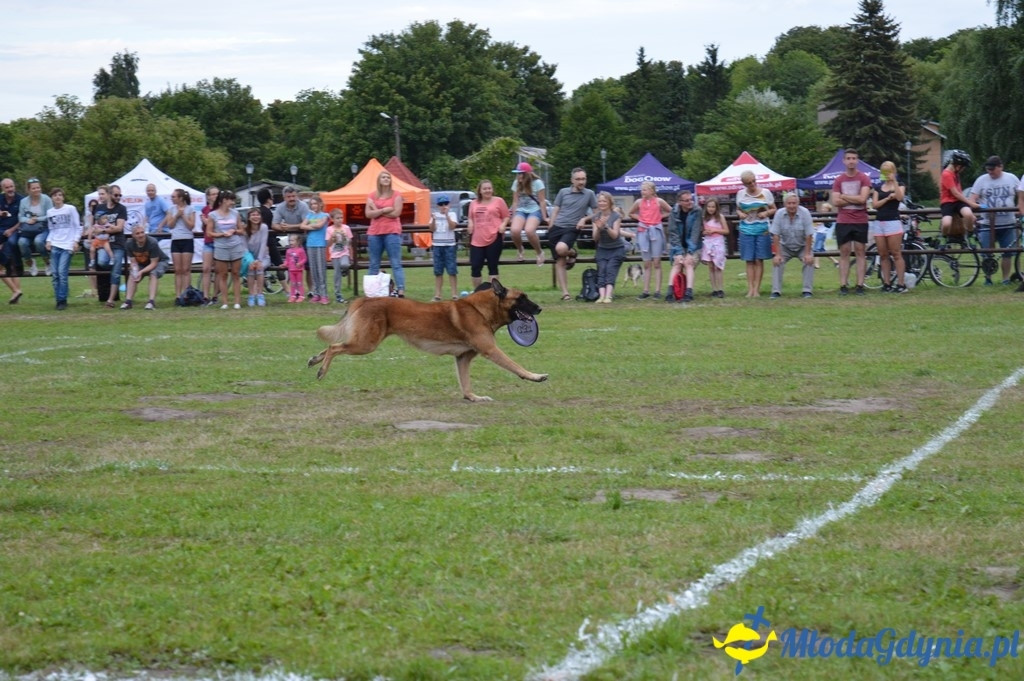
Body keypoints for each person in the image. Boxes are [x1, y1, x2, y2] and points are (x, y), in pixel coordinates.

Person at [548, 167, 597, 301]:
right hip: (557, 227)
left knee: (561, 249)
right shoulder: (563, 192)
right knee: (560, 261)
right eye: (578, 179)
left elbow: (597, 212)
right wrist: (551, 226)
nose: (581, 182)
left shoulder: (589, 194)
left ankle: (572, 252)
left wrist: (585, 219)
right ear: (572, 180)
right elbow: (556, 209)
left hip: (572, 227)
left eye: (583, 179)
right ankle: (565, 293)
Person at [970, 155, 1020, 285]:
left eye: (993, 169)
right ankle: (988, 278)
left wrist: (1019, 209)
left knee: (1007, 253)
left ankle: (1005, 279)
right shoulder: (981, 180)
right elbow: (972, 199)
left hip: (1008, 222)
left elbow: (1021, 195)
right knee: (987, 253)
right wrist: (976, 208)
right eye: (988, 169)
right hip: (987, 223)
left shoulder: (1011, 178)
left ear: (1000, 167)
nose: (990, 172)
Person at [830, 148, 872, 295]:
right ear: (844, 161)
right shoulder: (839, 180)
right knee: (844, 253)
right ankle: (843, 286)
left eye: (854, 158)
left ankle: (860, 285)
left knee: (861, 252)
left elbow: (863, 199)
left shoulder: (864, 178)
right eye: (848, 158)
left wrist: (844, 196)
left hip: (860, 220)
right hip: (843, 220)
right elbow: (835, 201)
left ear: (857, 160)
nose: (851, 161)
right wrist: (853, 198)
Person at [365, 171, 406, 297]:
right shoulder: (372, 195)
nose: (386, 179)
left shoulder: (397, 195)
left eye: (388, 177)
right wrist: (384, 210)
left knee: (396, 263)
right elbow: (368, 214)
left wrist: (376, 210)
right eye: (383, 177)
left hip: (392, 232)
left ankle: (400, 290)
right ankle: (371, 291)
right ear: (379, 180)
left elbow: (396, 213)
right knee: (373, 263)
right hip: (375, 233)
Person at [628, 181, 671, 299]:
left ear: (652, 191)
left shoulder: (659, 201)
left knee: (657, 262)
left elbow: (670, 210)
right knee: (647, 263)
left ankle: (657, 290)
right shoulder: (639, 202)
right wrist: (641, 219)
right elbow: (631, 213)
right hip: (643, 231)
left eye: (645, 190)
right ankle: (645, 290)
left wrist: (660, 217)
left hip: (655, 231)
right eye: (642, 190)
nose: (643, 192)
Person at [736, 170, 776, 297]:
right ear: (744, 184)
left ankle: (757, 289)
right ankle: (750, 289)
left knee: (759, 260)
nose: (752, 184)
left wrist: (766, 213)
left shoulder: (766, 193)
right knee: (749, 260)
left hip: (762, 230)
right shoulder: (740, 194)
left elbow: (774, 208)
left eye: (753, 181)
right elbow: (738, 209)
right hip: (746, 230)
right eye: (749, 183)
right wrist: (740, 214)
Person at [769, 192, 816, 299]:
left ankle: (807, 290)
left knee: (809, 261)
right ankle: (776, 291)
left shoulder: (805, 213)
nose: (792, 206)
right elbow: (775, 235)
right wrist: (777, 254)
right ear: (785, 204)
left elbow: (809, 234)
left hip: (802, 245)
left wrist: (808, 254)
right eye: (789, 203)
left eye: (794, 203)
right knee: (777, 262)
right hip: (785, 246)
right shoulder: (779, 214)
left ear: (798, 204)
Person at [583, 191, 627, 303]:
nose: (602, 203)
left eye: (604, 201)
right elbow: (595, 238)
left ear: (609, 202)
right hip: (602, 249)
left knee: (610, 270)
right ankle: (601, 296)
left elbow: (615, 235)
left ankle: (609, 295)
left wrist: (606, 226)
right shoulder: (596, 217)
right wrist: (598, 228)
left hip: (616, 248)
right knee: (601, 270)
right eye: (600, 201)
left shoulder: (615, 216)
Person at [205, 189, 245, 310]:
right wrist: (221, 235)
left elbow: (242, 230)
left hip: (235, 246)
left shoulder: (235, 213)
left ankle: (237, 302)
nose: (232, 202)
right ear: (223, 200)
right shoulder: (213, 215)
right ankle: (225, 302)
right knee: (222, 275)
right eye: (230, 200)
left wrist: (234, 231)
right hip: (220, 247)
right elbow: (209, 232)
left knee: (236, 274)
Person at [871, 161, 908, 292]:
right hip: (879, 222)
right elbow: (874, 205)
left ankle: (901, 283)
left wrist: (895, 183)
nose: (886, 174)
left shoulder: (900, 185)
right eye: (884, 172)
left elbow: (899, 197)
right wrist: (887, 198)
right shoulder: (878, 187)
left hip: (893, 221)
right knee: (883, 254)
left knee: (896, 253)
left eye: (889, 171)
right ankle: (886, 283)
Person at [466, 179, 509, 289]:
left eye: (489, 188)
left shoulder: (499, 201)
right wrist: (470, 224)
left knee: (492, 266)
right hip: (477, 239)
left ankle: (493, 293)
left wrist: (503, 225)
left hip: (494, 236)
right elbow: (470, 217)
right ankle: (477, 293)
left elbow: (506, 216)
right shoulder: (473, 203)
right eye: (485, 189)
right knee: (475, 266)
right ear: (480, 191)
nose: (487, 191)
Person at [44, 187, 80, 310]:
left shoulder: (70, 209)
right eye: (55, 195)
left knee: (62, 273)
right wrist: (49, 240)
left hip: (67, 245)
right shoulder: (50, 212)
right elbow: (52, 229)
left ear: (63, 197)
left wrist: (76, 241)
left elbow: (77, 227)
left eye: (59, 195)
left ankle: (62, 299)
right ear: (52, 198)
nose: (57, 197)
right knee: (55, 275)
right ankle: (58, 298)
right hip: (55, 244)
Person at [94, 184, 129, 308]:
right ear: (109, 195)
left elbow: (119, 228)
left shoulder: (121, 209)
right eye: (116, 195)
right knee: (102, 262)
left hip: (118, 244)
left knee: (116, 272)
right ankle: (113, 278)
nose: (118, 197)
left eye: (120, 195)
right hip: (103, 244)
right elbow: (96, 226)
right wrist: (109, 228)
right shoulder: (100, 208)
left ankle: (110, 300)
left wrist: (104, 230)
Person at [121, 224, 170, 310]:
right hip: (142, 263)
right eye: (137, 233)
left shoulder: (152, 242)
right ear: (133, 235)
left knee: (153, 273)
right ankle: (128, 301)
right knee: (133, 274)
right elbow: (133, 262)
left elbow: (154, 263)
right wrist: (135, 271)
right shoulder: (129, 244)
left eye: (142, 232)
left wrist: (141, 272)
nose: (141, 235)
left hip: (160, 261)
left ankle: (151, 302)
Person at [508, 161, 548, 265]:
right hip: (521, 210)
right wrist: (513, 215)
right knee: (514, 230)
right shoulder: (516, 183)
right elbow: (515, 201)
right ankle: (520, 249)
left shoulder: (538, 183)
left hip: (534, 210)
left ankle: (539, 252)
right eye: (517, 173)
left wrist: (544, 217)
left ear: (527, 174)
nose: (518, 176)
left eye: (521, 173)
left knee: (529, 230)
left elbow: (542, 201)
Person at [163, 188, 197, 305]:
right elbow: (170, 225)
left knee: (186, 269)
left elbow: (191, 226)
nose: (172, 199)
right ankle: (178, 296)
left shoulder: (190, 209)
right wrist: (177, 215)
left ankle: (186, 294)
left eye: (174, 197)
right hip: (176, 240)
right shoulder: (171, 209)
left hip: (187, 239)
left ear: (180, 198)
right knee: (177, 270)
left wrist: (183, 216)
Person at [665, 190, 700, 302]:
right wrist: (679, 252)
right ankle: (669, 291)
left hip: (693, 245)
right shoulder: (674, 212)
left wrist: (689, 252)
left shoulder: (697, 211)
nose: (690, 202)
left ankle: (689, 292)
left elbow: (695, 232)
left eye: (691, 199)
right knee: (677, 263)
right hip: (678, 245)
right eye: (686, 200)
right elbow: (673, 232)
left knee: (688, 262)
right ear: (680, 202)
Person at [939, 150, 979, 242]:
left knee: (968, 215)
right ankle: (944, 237)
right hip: (947, 202)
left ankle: (969, 233)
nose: (963, 170)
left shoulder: (955, 173)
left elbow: (959, 192)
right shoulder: (946, 174)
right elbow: (955, 193)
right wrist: (971, 203)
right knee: (946, 223)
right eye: (963, 167)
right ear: (958, 166)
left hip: (958, 201)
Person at [18, 177, 53, 277]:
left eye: (38, 187)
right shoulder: (23, 201)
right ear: (28, 190)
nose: (36, 190)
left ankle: (47, 262)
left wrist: (37, 219)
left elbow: (50, 215)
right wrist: (28, 220)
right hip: (28, 229)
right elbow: (20, 217)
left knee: (38, 241)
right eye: (33, 188)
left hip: (43, 227)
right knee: (22, 242)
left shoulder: (46, 199)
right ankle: (30, 263)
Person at [301, 195, 329, 304]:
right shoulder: (309, 215)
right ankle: (316, 293)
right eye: (312, 204)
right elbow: (302, 226)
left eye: (315, 203)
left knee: (321, 269)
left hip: (320, 244)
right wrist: (313, 226)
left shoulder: (325, 215)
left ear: (320, 204)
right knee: (313, 269)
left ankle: (324, 294)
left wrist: (310, 226)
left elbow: (320, 225)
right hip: (310, 244)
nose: (313, 206)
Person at [258, 187, 286, 295]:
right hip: (269, 242)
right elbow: (271, 227)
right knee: (280, 265)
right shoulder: (267, 212)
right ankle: (286, 289)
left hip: (262, 242)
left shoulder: (259, 211)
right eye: (271, 196)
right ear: (268, 199)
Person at [0, 177, 25, 303]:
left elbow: (23, 219)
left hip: (14, 232)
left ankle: (16, 291)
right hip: (1, 232)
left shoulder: (21, 200)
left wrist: (11, 230)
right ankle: (16, 291)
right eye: (7, 187)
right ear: (2, 189)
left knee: (11, 264)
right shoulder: (0, 199)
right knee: (8, 265)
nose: (10, 189)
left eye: (11, 186)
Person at [430, 195, 459, 301]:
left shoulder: (452, 214)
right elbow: (432, 229)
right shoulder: (434, 215)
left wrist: (447, 216)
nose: (443, 206)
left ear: (449, 204)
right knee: (438, 271)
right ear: (438, 206)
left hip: (449, 245)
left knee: (452, 270)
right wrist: (433, 220)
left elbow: (452, 227)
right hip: (437, 245)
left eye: (445, 204)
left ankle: (454, 294)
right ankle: (438, 294)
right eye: (441, 204)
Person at [700, 198, 729, 298]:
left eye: (713, 207)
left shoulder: (720, 217)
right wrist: (705, 232)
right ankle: (714, 289)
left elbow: (726, 231)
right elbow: (703, 231)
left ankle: (720, 288)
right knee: (711, 266)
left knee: (718, 266)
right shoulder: (704, 218)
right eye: (709, 206)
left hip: (718, 242)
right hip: (708, 242)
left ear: (716, 208)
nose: (711, 209)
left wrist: (715, 230)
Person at [243, 207, 269, 307]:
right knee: (251, 269)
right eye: (253, 215)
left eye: (257, 215)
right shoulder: (245, 230)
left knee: (259, 268)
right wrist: (251, 261)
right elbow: (244, 248)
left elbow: (263, 244)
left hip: (263, 257)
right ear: (249, 217)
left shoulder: (264, 227)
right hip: (249, 258)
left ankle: (260, 294)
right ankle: (251, 295)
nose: (255, 217)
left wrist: (258, 260)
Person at [326, 209, 352, 304]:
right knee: (337, 274)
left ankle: (344, 270)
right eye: (337, 218)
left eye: (341, 218)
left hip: (344, 252)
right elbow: (328, 244)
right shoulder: (329, 229)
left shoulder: (346, 228)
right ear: (332, 219)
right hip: (334, 254)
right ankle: (338, 294)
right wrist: (332, 239)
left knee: (345, 264)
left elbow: (350, 242)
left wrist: (346, 239)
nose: (340, 220)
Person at [200, 186, 219, 302]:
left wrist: (209, 223)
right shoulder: (204, 210)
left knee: (218, 270)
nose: (215, 196)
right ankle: (205, 296)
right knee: (206, 269)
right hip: (208, 241)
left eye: (217, 194)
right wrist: (204, 223)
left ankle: (215, 295)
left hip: (218, 242)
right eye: (213, 194)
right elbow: (204, 229)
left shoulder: (220, 209)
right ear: (208, 197)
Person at [285, 234, 308, 302]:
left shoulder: (301, 250)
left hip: (299, 270)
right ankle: (293, 295)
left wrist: (300, 263)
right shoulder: (288, 251)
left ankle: (301, 295)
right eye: (289, 240)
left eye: (292, 240)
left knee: (299, 283)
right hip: (291, 270)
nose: (290, 242)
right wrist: (285, 264)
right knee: (293, 283)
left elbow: (304, 259)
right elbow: (287, 260)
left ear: (298, 242)